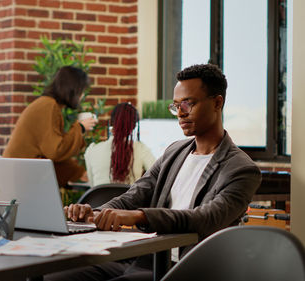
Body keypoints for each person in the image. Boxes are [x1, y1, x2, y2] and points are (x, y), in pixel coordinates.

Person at [46, 64, 262, 281]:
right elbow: (134, 196)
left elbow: (205, 218)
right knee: (56, 277)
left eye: (189, 103)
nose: (180, 112)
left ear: (217, 103)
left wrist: (140, 215)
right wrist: (93, 213)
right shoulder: (174, 152)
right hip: (147, 260)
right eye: (176, 105)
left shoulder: (242, 169)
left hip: (189, 268)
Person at [3, 66, 98, 187]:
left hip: (18, 175)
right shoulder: (48, 106)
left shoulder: (48, 104)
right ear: (73, 89)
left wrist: (78, 172)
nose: (83, 96)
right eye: (82, 91)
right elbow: (55, 150)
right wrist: (81, 127)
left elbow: (48, 153)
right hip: (19, 180)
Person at [84, 102, 156, 187]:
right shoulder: (141, 149)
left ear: (110, 122)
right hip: (131, 200)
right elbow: (158, 176)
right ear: (133, 126)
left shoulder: (92, 150)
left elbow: (93, 187)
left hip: (100, 200)